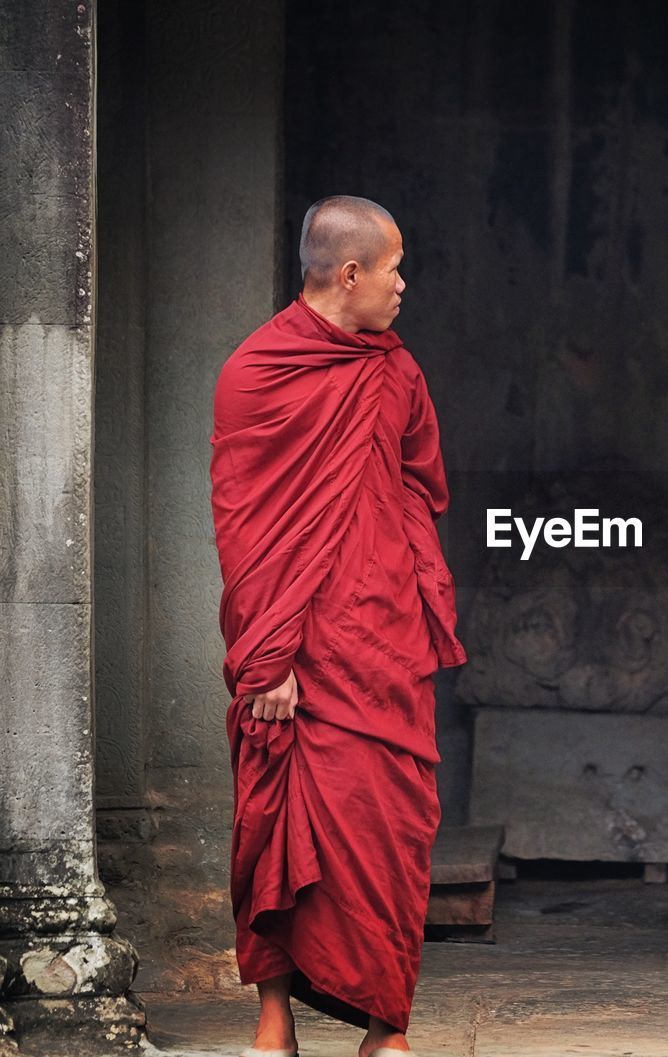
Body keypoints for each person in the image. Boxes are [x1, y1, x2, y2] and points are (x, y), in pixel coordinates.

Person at [210, 195, 466, 1057]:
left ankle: (387, 1030)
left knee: (394, 823)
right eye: (394, 268)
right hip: (295, 647)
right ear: (349, 273)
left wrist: (393, 552)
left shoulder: (396, 372)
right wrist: (269, 655)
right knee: (277, 821)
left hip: (382, 636)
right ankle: (273, 1019)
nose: (404, 285)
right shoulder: (255, 371)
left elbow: (424, 480)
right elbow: (242, 524)